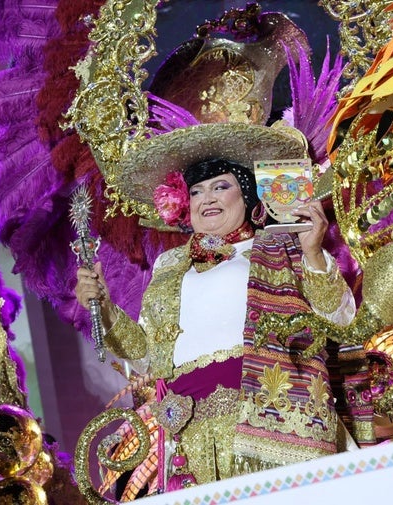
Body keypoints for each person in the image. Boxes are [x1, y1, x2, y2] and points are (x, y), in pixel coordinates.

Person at [75, 156, 357, 489]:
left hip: (276, 423)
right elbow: (146, 357)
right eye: (196, 191)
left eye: (221, 187)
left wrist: (311, 252)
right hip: (191, 436)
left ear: (248, 196)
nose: (207, 198)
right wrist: (104, 307)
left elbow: (339, 317)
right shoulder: (169, 265)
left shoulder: (284, 246)